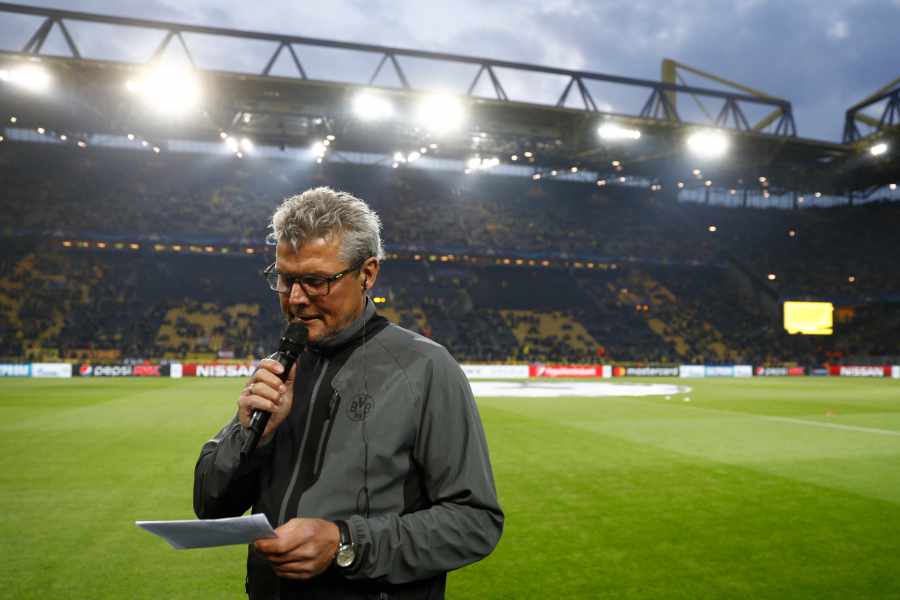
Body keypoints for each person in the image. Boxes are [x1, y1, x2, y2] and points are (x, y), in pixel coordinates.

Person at [193, 187, 503, 599]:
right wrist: (251, 437)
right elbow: (210, 504)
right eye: (285, 279)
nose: (296, 299)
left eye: (316, 281)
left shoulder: (426, 368)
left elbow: (474, 522)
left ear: (367, 274)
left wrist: (346, 543)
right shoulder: (282, 366)